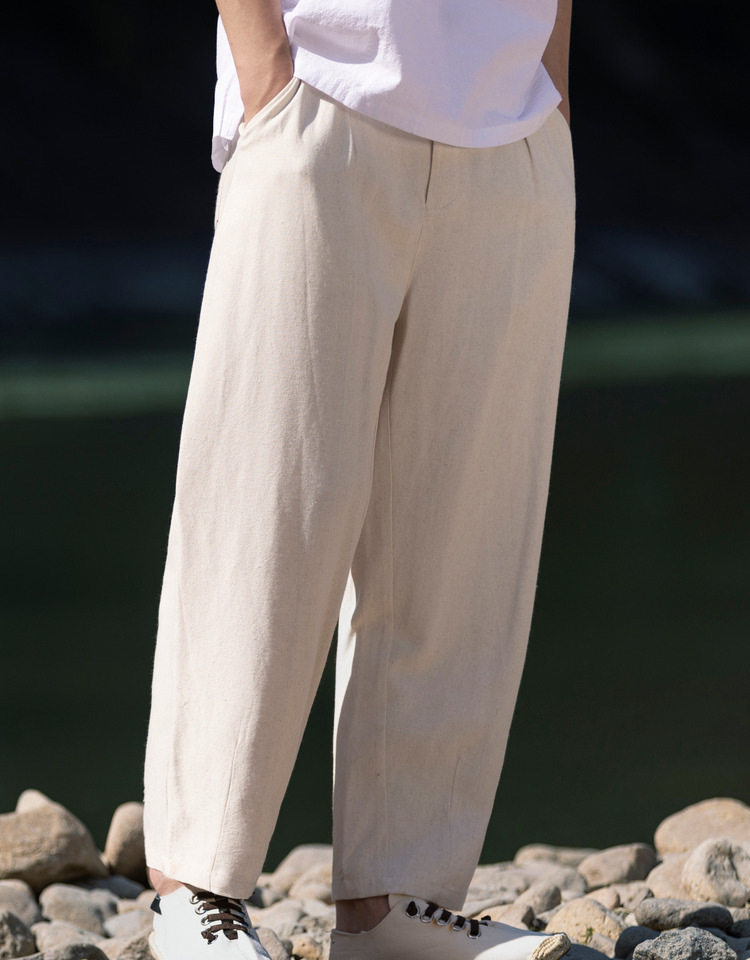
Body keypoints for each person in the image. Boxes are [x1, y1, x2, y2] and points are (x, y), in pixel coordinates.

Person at [143, 1, 576, 959]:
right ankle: (193, 890)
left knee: (462, 537)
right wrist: (266, 68)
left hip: (513, 124)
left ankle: (396, 902)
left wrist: (549, 83)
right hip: (320, 88)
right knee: (265, 511)